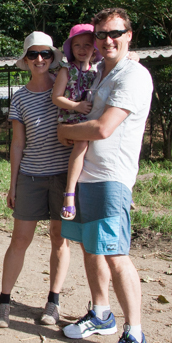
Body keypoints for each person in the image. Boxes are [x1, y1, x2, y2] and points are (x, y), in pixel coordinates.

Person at [58, 8, 153, 343]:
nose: (107, 39)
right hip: (85, 176)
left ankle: (136, 334)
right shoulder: (99, 76)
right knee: (90, 248)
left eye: (115, 32)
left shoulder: (134, 76)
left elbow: (101, 128)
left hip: (112, 178)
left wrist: (65, 132)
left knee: (115, 254)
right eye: (101, 34)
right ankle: (101, 313)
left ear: (129, 34)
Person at [0, 31, 73, 328]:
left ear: (53, 58)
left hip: (64, 176)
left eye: (45, 54)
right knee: (20, 239)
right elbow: (17, 143)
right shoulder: (21, 96)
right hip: (31, 175)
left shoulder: (66, 89)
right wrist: (13, 184)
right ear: (25, 60)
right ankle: (3, 300)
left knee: (59, 238)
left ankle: (53, 302)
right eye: (33, 54)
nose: (39, 59)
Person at [51, 24, 101, 220]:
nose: (82, 49)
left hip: (91, 120)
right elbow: (56, 98)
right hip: (71, 119)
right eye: (77, 45)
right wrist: (76, 106)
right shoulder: (66, 71)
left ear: (94, 48)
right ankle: (69, 194)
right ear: (70, 49)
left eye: (87, 45)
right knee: (81, 142)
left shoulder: (98, 71)